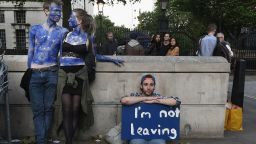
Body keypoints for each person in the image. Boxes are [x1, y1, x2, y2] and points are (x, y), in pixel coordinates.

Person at [56, 9, 124, 144]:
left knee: (76, 109)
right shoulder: (65, 35)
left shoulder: (88, 37)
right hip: (64, 75)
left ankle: (70, 140)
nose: (68, 19)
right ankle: (68, 139)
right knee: (66, 108)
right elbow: (60, 55)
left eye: (71, 17)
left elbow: (94, 56)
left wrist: (110, 59)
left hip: (80, 76)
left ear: (79, 20)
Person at [27, 0, 68, 143]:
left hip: (52, 74)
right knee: (38, 110)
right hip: (35, 74)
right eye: (55, 10)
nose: (58, 14)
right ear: (46, 11)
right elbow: (30, 52)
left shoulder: (63, 32)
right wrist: (29, 72)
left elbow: (62, 56)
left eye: (60, 11)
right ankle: (42, 140)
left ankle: (42, 140)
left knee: (49, 108)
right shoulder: (34, 29)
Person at [120, 74, 181, 144]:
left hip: (156, 135)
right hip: (137, 136)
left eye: (151, 85)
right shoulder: (135, 96)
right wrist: (146, 98)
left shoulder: (158, 97)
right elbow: (123, 100)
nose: (148, 87)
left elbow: (176, 101)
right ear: (141, 86)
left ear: (154, 86)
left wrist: (156, 101)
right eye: (145, 84)